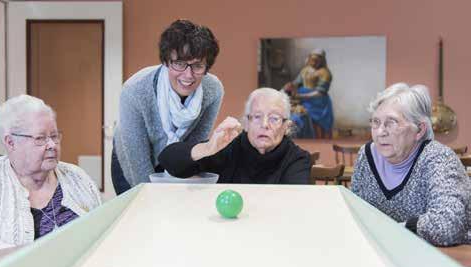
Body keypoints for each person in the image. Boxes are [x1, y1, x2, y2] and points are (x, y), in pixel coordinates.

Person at [112, 19, 224, 194]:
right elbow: (136, 161)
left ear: (207, 66)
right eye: (179, 63)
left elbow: (193, 148)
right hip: (131, 158)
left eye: (197, 65)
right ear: (165, 61)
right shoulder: (135, 90)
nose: (188, 75)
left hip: (175, 159)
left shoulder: (213, 90)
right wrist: (150, 199)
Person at [351, 83, 471, 246]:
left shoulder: (438, 158)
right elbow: (355, 213)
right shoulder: (366, 156)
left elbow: (447, 225)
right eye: (376, 122)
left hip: (450, 256)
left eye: (391, 123)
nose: (380, 132)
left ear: (419, 130)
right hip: (390, 251)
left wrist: (398, 229)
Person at [0, 95, 102, 250]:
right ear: (11, 142)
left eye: (54, 136)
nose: (52, 145)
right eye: (40, 138)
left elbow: (105, 228)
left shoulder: (77, 177)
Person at [159, 88, 312, 184]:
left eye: (274, 118)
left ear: (286, 126)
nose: (264, 124)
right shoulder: (228, 146)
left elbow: (293, 204)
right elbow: (168, 160)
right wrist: (207, 148)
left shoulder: (298, 159)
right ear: (246, 123)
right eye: (257, 116)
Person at [284, 49, 334, 138]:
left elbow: (320, 92)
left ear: (322, 61)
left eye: (316, 60)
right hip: (303, 99)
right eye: (312, 60)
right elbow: (297, 82)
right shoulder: (305, 70)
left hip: (319, 102)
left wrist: (301, 96)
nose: (314, 62)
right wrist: (290, 85)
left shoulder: (325, 73)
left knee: (310, 119)